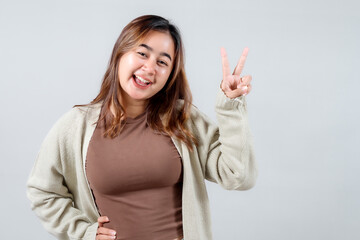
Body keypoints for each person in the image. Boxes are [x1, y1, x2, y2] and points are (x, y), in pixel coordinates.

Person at [26, 15, 257, 240]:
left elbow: (238, 176)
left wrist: (230, 105)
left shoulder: (183, 120)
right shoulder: (76, 126)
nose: (149, 68)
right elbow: (43, 191)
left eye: (162, 62)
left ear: (170, 74)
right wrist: (82, 232)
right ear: (120, 53)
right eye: (142, 53)